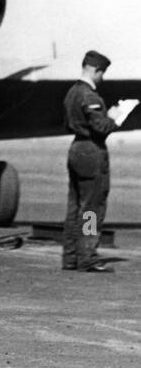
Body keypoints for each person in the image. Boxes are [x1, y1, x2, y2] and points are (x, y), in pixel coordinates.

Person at [63, 50, 124, 273]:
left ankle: (70, 257)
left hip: (76, 149)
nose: (102, 78)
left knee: (74, 207)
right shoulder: (90, 96)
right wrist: (115, 116)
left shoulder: (71, 93)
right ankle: (87, 256)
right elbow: (102, 127)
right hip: (91, 152)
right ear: (96, 70)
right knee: (91, 209)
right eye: (102, 73)